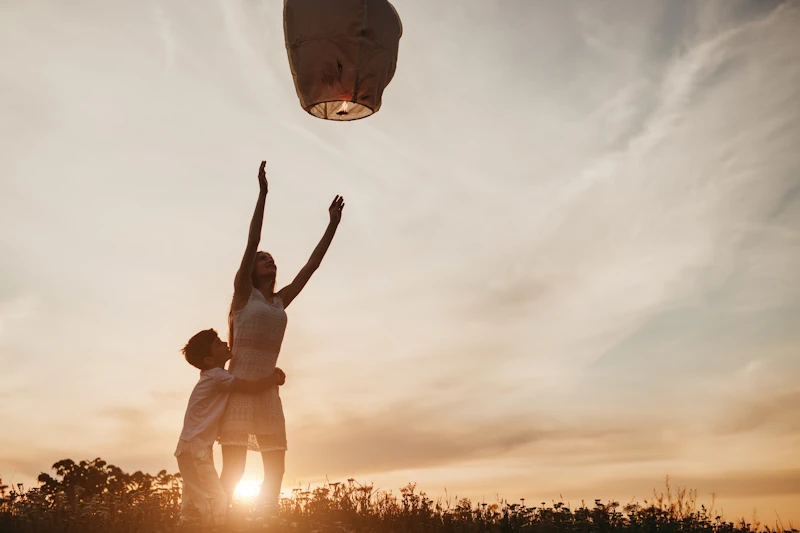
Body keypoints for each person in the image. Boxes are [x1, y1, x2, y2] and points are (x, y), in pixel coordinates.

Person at [218, 160, 345, 515]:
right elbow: (253, 240)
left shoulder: (279, 300)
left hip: (269, 392)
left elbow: (312, 266)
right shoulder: (244, 295)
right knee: (234, 470)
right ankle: (223, 521)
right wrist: (263, 194)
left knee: (276, 470)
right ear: (252, 269)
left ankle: (265, 520)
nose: (268, 260)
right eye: (262, 260)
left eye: (271, 259)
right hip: (241, 388)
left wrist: (332, 225)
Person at [175, 328, 285, 527]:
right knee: (215, 497)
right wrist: (273, 378)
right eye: (218, 344)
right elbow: (251, 388)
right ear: (209, 360)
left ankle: (191, 526)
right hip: (196, 448)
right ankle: (216, 528)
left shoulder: (213, 376)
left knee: (195, 498)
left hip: (189, 447)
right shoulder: (217, 377)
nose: (225, 344)